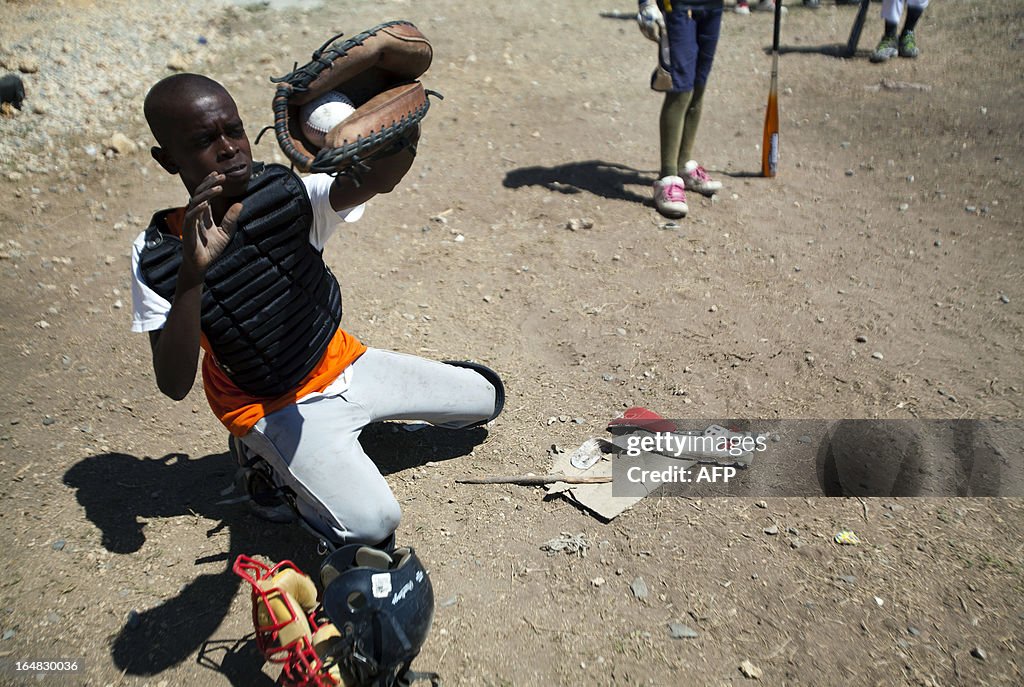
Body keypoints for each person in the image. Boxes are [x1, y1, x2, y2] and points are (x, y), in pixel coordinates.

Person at [130, 74, 503, 551]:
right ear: (167, 159)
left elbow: (379, 179)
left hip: (343, 363)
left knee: (487, 398)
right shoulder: (158, 253)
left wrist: (399, 125)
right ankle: (261, 459)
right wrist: (192, 275)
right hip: (269, 404)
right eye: (204, 141)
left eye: (235, 129)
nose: (228, 148)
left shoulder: (284, 194)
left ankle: (355, 433)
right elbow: (173, 383)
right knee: (373, 525)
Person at [637, 0, 725, 220]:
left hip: (712, 6)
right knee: (681, 88)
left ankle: (683, 165)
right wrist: (646, 3)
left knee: (698, 85)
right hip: (677, 6)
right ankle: (667, 177)